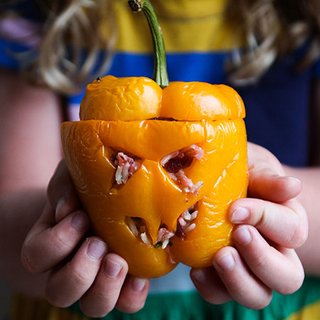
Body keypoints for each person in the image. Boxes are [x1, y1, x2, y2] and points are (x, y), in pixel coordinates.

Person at [0, 0, 319, 319]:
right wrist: (73, 207)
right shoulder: (41, 16)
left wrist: (260, 195)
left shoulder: (306, 17)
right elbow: (7, 229)